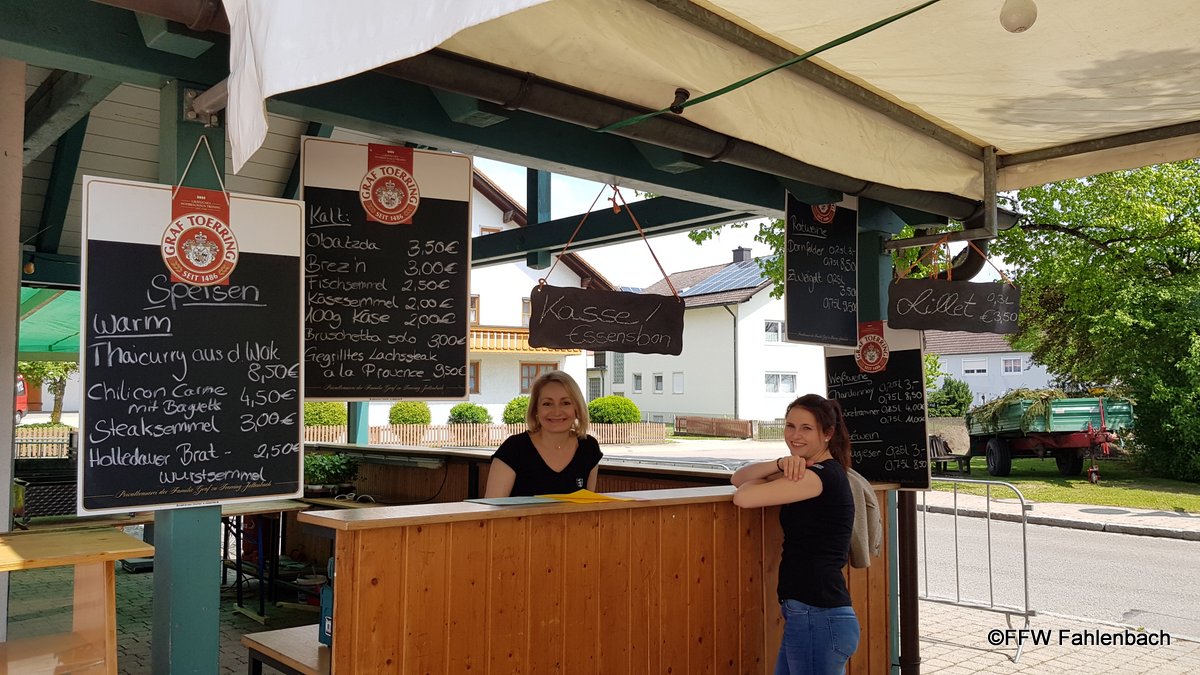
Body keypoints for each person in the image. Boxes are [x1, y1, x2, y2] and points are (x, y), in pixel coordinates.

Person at [731, 393, 859, 674]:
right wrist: (780, 463)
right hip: (810, 613)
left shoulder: (817, 477)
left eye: (806, 428)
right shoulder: (810, 470)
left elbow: (743, 496)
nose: (795, 435)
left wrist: (782, 469)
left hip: (818, 614)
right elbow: (738, 478)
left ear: (828, 434)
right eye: (790, 426)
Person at [484, 371, 602, 497]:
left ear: (577, 408)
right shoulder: (514, 448)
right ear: (536, 409)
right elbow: (492, 506)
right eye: (547, 404)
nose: (556, 412)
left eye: (566, 403)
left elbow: (587, 505)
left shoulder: (589, 448)